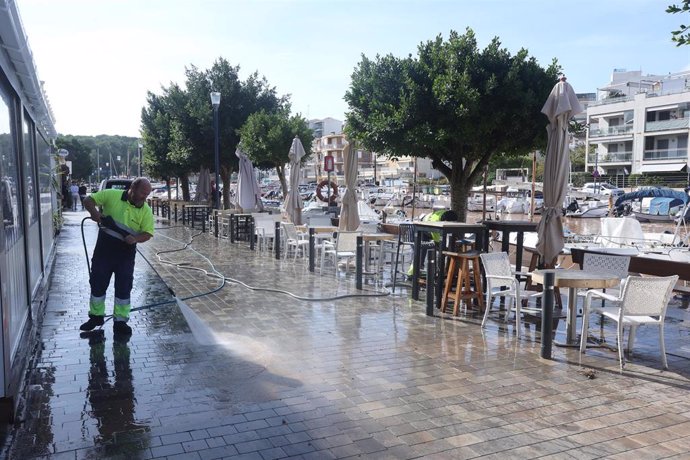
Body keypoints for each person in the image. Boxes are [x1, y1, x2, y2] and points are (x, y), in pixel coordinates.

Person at [80, 178, 154, 336]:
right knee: (98, 282)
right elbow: (88, 200)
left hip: (125, 254)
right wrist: (94, 213)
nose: (144, 197)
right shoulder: (111, 195)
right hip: (104, 250)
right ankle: (96, 317)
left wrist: (135, 238)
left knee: (124, 286)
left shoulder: (146, 210)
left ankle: (120, 321)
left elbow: (148, 233)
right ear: (133, 188)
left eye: (147, 194)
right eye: (142, 192)